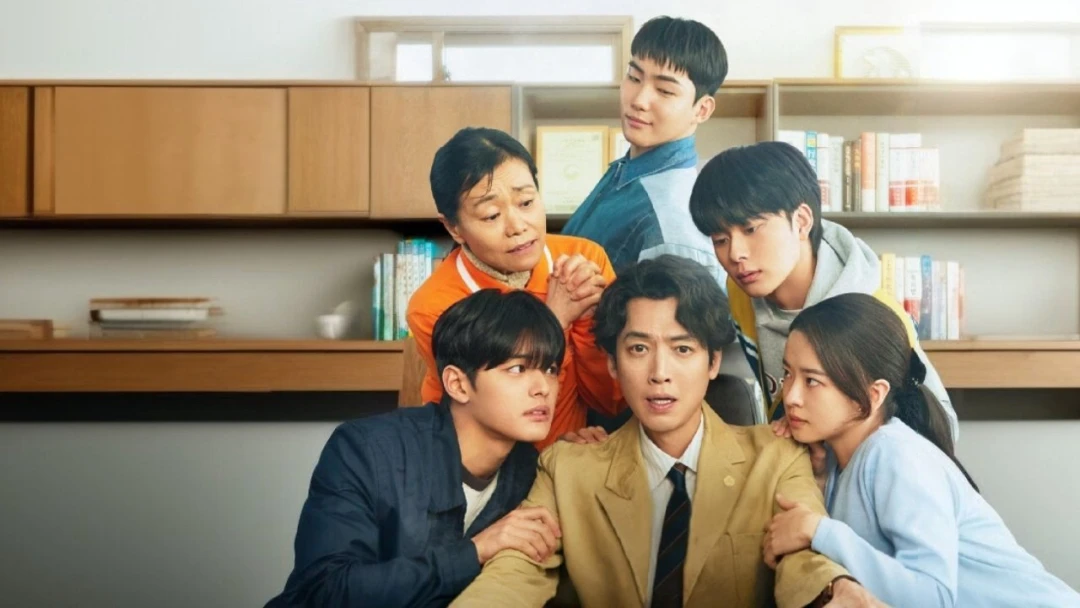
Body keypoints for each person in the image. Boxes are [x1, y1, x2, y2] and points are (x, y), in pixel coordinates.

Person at [451, 256, 882, 608]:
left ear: (713, 362)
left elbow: (804, 558)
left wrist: (835, 591)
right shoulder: (566, 469)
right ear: (613, 363)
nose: (660, 373)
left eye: (682, 349)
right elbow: (515, 573)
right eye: (639, 348)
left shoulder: (776, 457)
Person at [763, 293, 1080, 607]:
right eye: (788, 374)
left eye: (812, 381)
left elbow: (932, 597)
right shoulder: (835, 459)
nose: (790, 396)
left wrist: (818, 531)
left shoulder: (896, 455)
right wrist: (818, 480)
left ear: (873, 395)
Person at [267, 289, 566, 607]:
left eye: (551, 369)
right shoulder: (368, 449)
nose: (543, 388)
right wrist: (473, 552)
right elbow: (326, 591)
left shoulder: (534, 472)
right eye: (518, 369)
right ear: (458, 384)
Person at [688, 140, 957, 438]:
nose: (735, 253)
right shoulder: (742, 289)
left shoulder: (868, 314)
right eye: (720, 240)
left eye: (751, 229)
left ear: (801, 222)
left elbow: (941, 428)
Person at [407, 127, 623, 451]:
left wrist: (591, 319)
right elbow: (492, 419)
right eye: (491, 215)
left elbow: (610, 400)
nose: (518, 226)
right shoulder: (435, 305)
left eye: (526, 202)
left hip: (570, 454)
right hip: (475, 462)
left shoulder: (584, 260)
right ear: (454, 228)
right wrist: (555, 320)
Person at [562, 16, 726, 284]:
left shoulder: (671, 219)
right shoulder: (628, 171)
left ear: (702, 110)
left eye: (664, 91)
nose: (639, 100)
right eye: (634, 77)